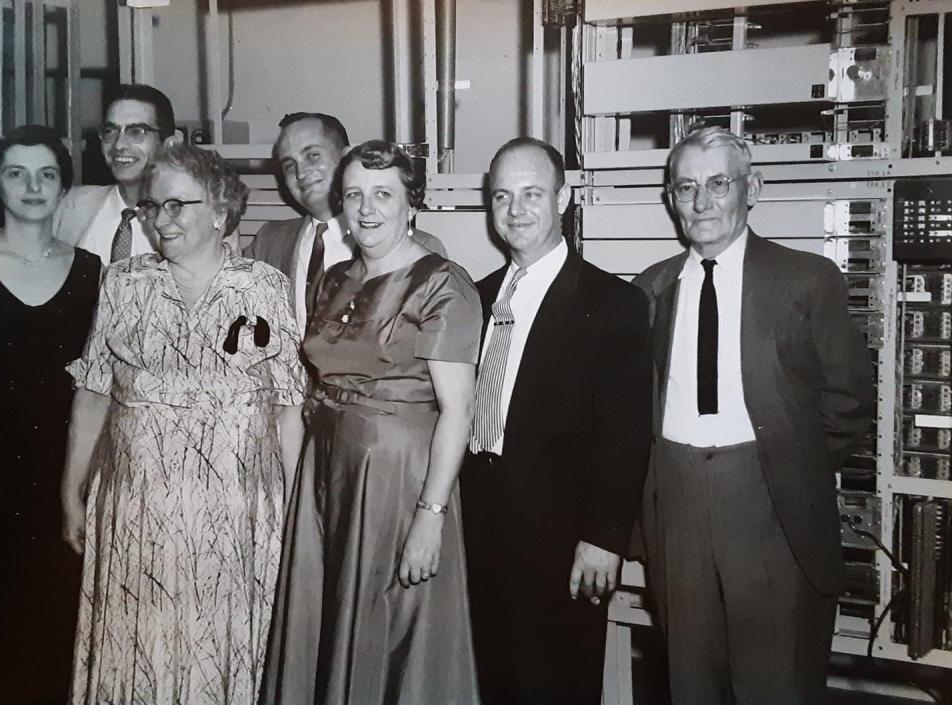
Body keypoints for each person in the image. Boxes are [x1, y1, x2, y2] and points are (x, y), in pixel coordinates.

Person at [633, 126, 874, 705]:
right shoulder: (650, 289)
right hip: (679, 514)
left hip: (772, 513)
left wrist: (784, 468)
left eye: (718, 184)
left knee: (776, 687)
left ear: (752, 189)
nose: (701, 201)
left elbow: (848, 404)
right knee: (691, 684)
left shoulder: (807, 280)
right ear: (670, 199)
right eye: (685, 187)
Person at [61, 142, 307, 705]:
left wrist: (297, 506)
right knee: (138, 650)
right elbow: (94, 394)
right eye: (151, 207)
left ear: (220, 211)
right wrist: (71, 492)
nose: (160, 221)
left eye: (176, 206)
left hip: (237, 511)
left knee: (227, 650)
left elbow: (288, 406)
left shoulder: (262, 287)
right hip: (137, 509)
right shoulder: (124, 283)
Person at [261, 140, 481, 705]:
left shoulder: (442, 282)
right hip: (326, 468)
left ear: (413, 203)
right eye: (354, 194)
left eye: (383, 194)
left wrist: (430, 517)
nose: (367, 209)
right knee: (329, 622)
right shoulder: (333, 279)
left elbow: (458, 410)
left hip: (397, 476)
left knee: (389, 633)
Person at [460, 137, 653, 705]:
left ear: (563, 198)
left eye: (531, 194)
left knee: (557, 686)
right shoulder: (478, 297)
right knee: (491, 680)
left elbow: (625, 434)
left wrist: (603, 538)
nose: (515, 210)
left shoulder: (612, 303)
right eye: (502, 196)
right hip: (480, 527)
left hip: (562, 540)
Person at [0, 125, 101, 705]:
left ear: (64, 189)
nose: (32, 186)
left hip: (64, 470)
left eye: (47, 174)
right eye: (16, 172)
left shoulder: (92, 273)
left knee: (54, 617)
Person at [244, 112, 446, 331]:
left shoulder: (421, 250)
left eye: (312, 156)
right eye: (289, 165)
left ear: (345, 157)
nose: (301, 173)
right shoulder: (269, 242)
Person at [53, 83, 177, 264]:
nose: (119, 145)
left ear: (169, 145)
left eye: (136, 132)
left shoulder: (192, 219)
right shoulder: (68, 207)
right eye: (110, 131)